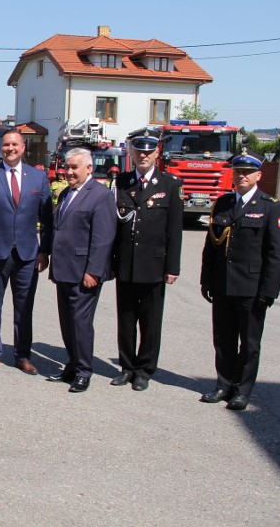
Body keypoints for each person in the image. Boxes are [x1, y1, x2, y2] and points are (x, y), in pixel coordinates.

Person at [199, 150, 280, 410]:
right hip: (223, 285)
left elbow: (278, 254)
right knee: (223, 340)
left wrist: (268, 291)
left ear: (258, 175)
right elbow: (211, 247)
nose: (242, 176)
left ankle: (242, 391)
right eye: (238, 171)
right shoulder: (223, 204)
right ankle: (223, 385)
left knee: (249, 344)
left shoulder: (271, 206)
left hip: (252, 288)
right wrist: (207, 280)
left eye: (248, 172)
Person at [0, 128, 53, 373]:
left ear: (23, 147)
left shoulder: (38, 178)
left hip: (28, 254)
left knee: (24, 308)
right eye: (6, 145)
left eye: (15, 144)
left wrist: (44, 251)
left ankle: (22, 355)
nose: (10, 149)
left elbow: (47, 219)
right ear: (1, 148)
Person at [110, 133, 183, 391]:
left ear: (156, 155)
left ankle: (144, 370)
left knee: (150, 322)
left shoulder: (170, 185)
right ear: (131, 153)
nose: (143, 156)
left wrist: (172, 267)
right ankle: (127, 367)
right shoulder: (121, 182)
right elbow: (114, 227)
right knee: (126, 319)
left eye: (148, 152)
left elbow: (174, 230)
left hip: (154, 265)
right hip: (126, 264)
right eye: (138, 151)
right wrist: (110, 262)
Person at [46, 147, 117, 392]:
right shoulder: (67, 193)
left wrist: (94, 271)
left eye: (75, 167)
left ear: (89, 168)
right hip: (64, 270)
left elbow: (103, 238)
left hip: (84, 272)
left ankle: (84, 371)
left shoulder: (100, 195)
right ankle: (73, 365)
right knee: (67, 322)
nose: (69, 171)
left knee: (81, 322)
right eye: (67, 167)